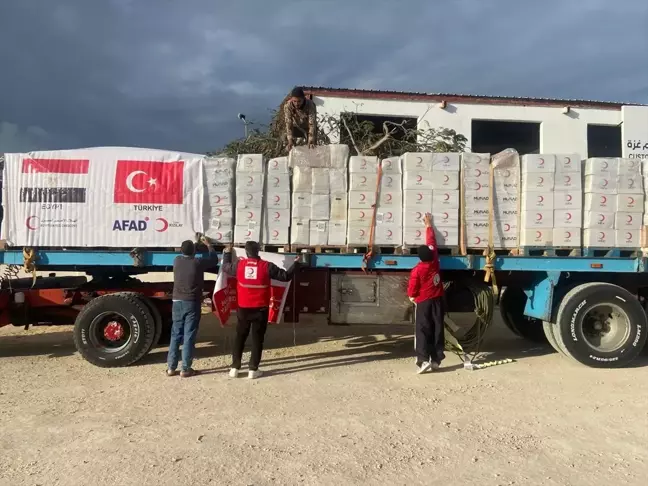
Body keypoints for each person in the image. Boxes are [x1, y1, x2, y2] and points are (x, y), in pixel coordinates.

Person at [220, 241, 299, 379]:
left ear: (246, 252)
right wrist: (296, 263)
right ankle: (253, 369)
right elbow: (285, 276)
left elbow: (225, 267)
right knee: (257, 339)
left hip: (243, 308)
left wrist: (227, 253)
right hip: (260, 309)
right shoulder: (266, 266)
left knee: (240, 337)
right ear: (259, 251)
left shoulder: (239, 265)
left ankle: (234, 368)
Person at [166, 240, 219, 378]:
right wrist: (209, 245)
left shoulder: (176, 260)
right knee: (189, 334)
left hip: (177, 301)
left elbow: (186, 253)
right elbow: (214, 260)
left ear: (181, 251)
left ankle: (171, 368)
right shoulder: (197, 262)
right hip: (191, 302)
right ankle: (185, 368)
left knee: (176, 333)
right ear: (194, 251)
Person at [407, 213, 445, 374]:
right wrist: (429, 226)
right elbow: (432, 243)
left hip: (424, 302)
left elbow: (412, 287)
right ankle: (436, 359)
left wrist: (412, 297)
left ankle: (422, 360)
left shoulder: (418, 270)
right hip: (438, 301)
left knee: (422, 329)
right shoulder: (435, 262)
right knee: (437, 328)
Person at [284, 86, 317, 152]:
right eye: (294, 101)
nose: (296, 104)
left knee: (312, 146)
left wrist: (311, 139)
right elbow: (288, 122)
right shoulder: (288, 106)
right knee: (286, 140)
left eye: (299, 101)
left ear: (303, 99)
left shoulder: (310, 105)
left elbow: (312, 123)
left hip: (307, 127)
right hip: (295, 126)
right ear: (292, 99)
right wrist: (290, 140)